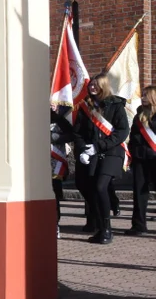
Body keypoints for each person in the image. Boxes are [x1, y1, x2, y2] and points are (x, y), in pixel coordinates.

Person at [73, 72, 129, 244]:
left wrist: (99, 146)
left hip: (112, 152)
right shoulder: (85, 107)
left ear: (103, 85)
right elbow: (78, 133)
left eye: (95, 85)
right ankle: (100, 223)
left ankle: (106, 230)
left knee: (100, 186)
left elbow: (122, 131)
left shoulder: (116, 105)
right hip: (92, 153)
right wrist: (82, 149)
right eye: (91, 85)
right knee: (83, 184)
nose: (92, 87)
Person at [126, 86, 156, 235]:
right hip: (140, 159)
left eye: (146, 95)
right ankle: (139, 225)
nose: (143, 97)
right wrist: (133, 151)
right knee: (139, 193)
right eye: (142, 95)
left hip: (154, 158)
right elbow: (133, 135)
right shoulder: (139, 114)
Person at [50, 107, 74, 237]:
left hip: (55, 163)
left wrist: (57, 137)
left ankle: (55, 224)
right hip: (37, 163)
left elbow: (71, 134)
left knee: (54, 195)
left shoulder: (59, 118)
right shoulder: (33, 116)